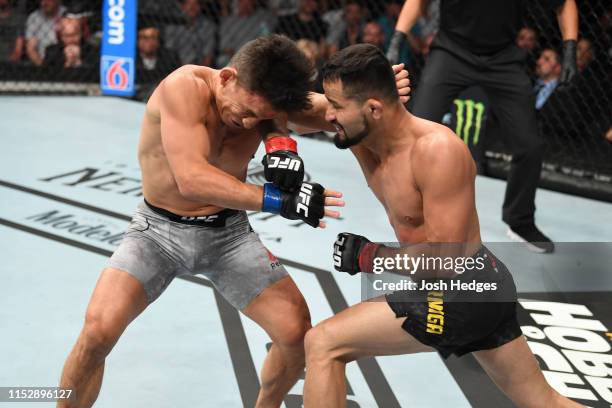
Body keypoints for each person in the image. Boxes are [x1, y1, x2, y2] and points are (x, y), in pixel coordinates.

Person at [57, 35, 344, 408]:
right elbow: (191, 180)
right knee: (97, 332)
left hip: (228, 236)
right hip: (156, 234)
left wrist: (372, 90)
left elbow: (334, 110)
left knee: (294, 334)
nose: (248, 122)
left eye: (260, 117)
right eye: (245, 110)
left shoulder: (264, 103)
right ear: (227, 77)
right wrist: (280, 200)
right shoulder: (183, 88)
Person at [301, 43, 582, 408]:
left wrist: (373, 256)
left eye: (336, 107)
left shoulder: (436, 150)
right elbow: (287, 107)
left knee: (323, 343)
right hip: (476, 286)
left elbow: (446, 259)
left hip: (463, 290)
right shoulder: (360, 131)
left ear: (374, 108)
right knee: (545, 402)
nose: (329, 115)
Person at [387, 0, 580, 253]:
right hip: (451, 51)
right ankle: (408, 210)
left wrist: (570, 50)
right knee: (417, 131)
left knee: (530, 145)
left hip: (503, 57)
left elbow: (565, 3)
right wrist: (397, 39)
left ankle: (519, 220)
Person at [25, 0, 66, 66]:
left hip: (64, 60)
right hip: (42, 61)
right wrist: (44, 68)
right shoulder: (34, 17)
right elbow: (31, 49)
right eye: (42, 0)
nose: (44, 3)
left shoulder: (67, 15)